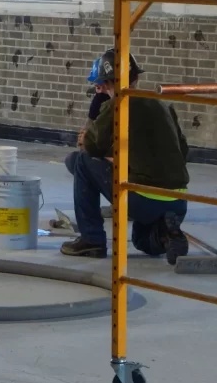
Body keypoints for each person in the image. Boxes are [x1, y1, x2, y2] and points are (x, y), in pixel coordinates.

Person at [62, 49, 190, 264]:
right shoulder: (161, 103)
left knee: (80, 162)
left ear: (105, 84)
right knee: (142, 241)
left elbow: (91, 148)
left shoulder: (117, 104)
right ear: (136, 78)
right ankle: (166, 232)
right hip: (179, 202)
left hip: (144, 200)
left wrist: (89, 131)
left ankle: (91, 240)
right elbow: (183, 151)